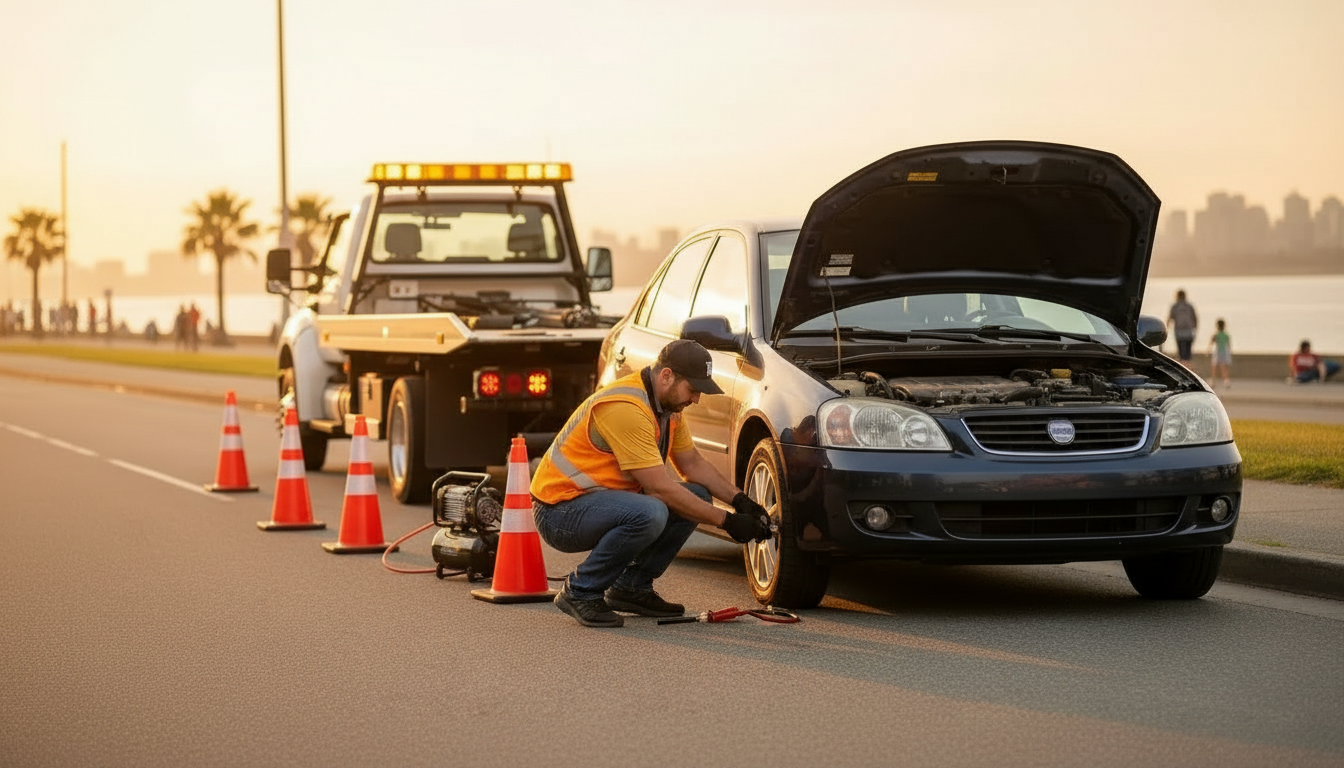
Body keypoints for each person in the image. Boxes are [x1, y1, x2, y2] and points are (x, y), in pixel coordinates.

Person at [530, 339, 773, 628]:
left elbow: (692, 465)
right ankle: (580, 591)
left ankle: (631, 588)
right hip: (559, 512)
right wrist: (728, 522)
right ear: (667, 376)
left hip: (596, 503)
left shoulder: (667, 408)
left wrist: (740, 501)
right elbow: (660, 488)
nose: (696, 399)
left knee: (696, 495)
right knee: (651, 511)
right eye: (693, 389)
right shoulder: (626, 407)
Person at [1167, 289, 1198, 364]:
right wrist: (1195, 328)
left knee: (1181, 353)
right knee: (1187, 354)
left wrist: (1165, 329)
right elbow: (1195, 318)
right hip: (1189, 332)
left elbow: (1170, 318)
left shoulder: (1175, 306)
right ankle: (1187, 366)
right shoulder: (1189, 306)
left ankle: (1184, 366)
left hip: (1179, 332)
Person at [1207, 318, 1232, 389]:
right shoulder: (1226, 335)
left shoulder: (1216, 335)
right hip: (1224, 351)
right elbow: (1228, 344)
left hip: (1218, 351)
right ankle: (1226, 380)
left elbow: (1211, 343)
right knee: (1224, 367)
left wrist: (1208, 350)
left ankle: (1213, 381)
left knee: (1214, 366)